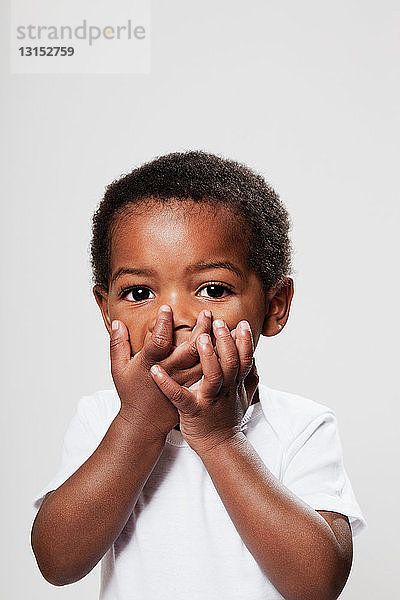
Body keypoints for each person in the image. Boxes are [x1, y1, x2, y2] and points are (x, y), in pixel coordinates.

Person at [31, 151, 366, 600]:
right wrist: (138, 424)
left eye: (212, 289)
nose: (173, 317)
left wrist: (220, 437)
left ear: (274, 306)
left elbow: (318, 584)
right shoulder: (101, 419)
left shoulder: (300, 426)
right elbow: (56, 562)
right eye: (138, 292)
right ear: (105, 308)